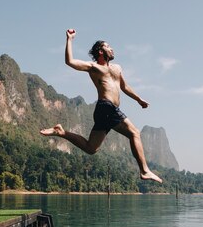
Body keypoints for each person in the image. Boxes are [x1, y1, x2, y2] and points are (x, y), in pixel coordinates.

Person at [40, 30, 163, 184]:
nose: (112, 49)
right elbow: (69, 61)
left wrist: (139, 99)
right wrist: (69, 39)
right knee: (134, 133)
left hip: (106, 111)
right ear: (100, 51)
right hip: (106, 107)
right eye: (108, 46)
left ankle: (61, 132)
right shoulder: (94, 67)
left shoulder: (117, 68)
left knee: (91, 148)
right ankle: (144, 170)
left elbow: (124, 87)